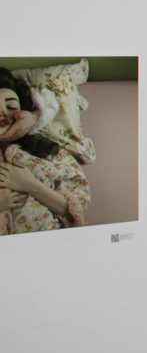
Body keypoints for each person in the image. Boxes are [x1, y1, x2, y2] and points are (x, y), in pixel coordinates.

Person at [0, 68, 90, 235]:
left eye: (11, 106)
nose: (3, 113)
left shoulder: (46, 150)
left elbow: (76, 210)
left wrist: (29, 183)